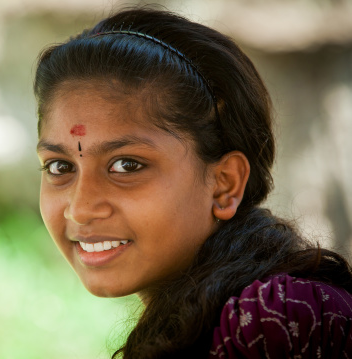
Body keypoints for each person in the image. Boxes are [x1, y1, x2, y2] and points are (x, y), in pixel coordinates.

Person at [33, 7, 352, 358]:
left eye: (126, 165)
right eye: (60, 166)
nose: (80, 209)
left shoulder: (273, 318)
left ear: (224, 184)